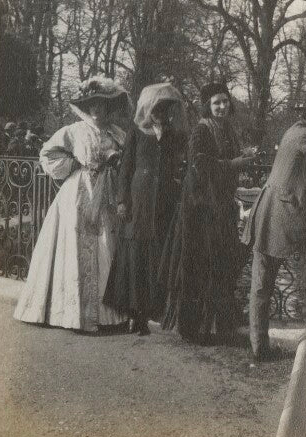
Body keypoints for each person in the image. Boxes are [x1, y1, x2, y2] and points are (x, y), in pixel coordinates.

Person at [13, 76, 130, 333]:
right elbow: (47, 153)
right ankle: (73, 313)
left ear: (109, 106)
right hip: (79, 192)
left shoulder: (118, 133)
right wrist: (75, 165)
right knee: (76, 243)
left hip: (108, 192)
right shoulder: (73, 131)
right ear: (87, 107)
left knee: (106, 244)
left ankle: (109, 315)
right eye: (93, 105)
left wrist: (116, 162)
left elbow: (127, 164)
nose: (98, 110)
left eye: (102, 104)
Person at [242, 84, 306, 362]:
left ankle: (264, 344)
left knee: (273, 277)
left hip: (279, 212)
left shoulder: (297, 131)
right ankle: (265, 346)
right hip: (281, 217)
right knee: (266, 281)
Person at [161, 81, 257, 344]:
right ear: (207, 106)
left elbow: (223, 167)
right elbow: (201, 167)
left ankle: (218, 326)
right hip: (200, 209)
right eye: (216, 103)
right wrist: (234, 164)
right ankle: (196, 328)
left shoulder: (227, 129)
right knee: (202, 263)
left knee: (221, 263)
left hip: (220, 206)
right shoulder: (201, 131)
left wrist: (240, 170)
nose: (222, 106)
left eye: (225, 101)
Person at [103, 82, 188, 336]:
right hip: (139, 201)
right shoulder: (137, 133)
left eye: (165, 109)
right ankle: (133, 315)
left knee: (156, 255)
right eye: (157, 108)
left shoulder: (174, 134)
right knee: (135, 256)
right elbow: (125, 169)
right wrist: (122, 200)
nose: (160, 113)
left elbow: (178, 164)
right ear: (148, 108)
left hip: (163, 202)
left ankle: (152, 312)